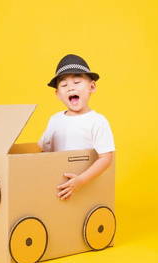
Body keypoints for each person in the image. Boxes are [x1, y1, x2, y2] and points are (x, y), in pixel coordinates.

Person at [38, 54, 115, 200]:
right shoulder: (55, 120)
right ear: (58, 94)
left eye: (77, 82)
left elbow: (106, 158)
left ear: (91, 87)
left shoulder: (97, 121)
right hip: (57, 186)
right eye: (64, 85)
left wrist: (80, 181)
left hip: (85, 187)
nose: (70, 88)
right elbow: (43, 149)